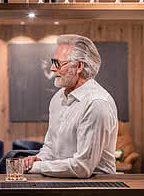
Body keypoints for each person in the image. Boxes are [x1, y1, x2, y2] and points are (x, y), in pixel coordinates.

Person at [25, 34, 118, 178]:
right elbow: (51, 146)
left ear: (79, 66)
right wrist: (39, 159)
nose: (52, 68)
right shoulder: (58, 98)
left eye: (58, 63)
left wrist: (36, 167)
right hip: (61, 181)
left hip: (96, 186)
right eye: (52, 62)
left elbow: (83, 167)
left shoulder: (97, 103)